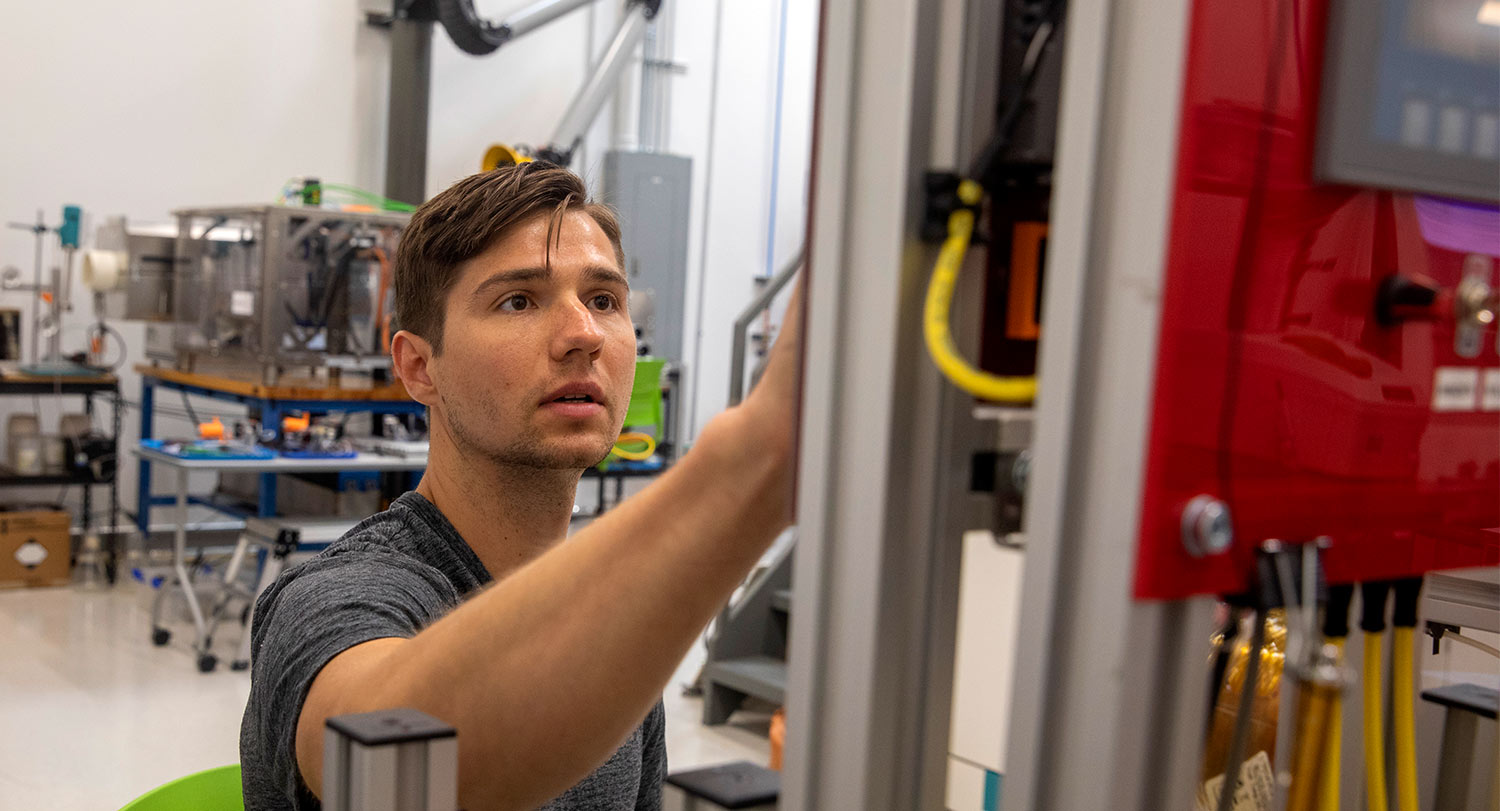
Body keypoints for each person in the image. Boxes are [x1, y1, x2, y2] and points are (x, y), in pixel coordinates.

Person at [239, 162, 801, 810]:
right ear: (419, 367)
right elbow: (385, 760)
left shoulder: (611, 624)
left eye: (603, 300)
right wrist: (751, 461)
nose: (584, 334)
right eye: (519, 301)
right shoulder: (336, 597)